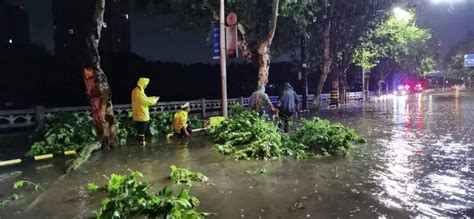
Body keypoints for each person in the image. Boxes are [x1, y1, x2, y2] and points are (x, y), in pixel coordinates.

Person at [131, 77, 159, 145]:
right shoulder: (139, 91)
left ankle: (140, 141)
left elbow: (145, 98)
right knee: (142, 129)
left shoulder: (136, 90)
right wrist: (155, 100)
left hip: (138, 112)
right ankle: (141, 142)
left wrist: (152, 97)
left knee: (140, 129)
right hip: (141, 113)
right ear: (142, 84)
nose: (146, 86)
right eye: (146, 84)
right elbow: (145, 101)